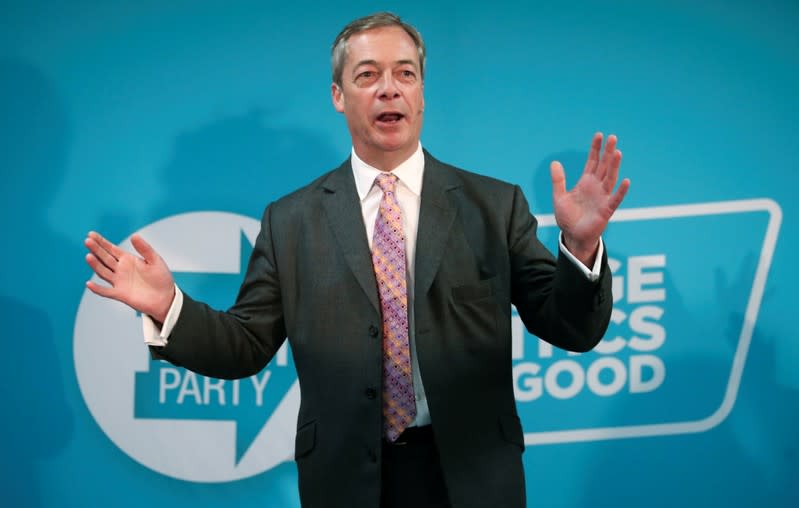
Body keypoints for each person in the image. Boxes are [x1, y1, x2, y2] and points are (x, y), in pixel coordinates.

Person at [84, 12, 628, 508]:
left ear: (421, 92)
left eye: (405, 73)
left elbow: (571, 328)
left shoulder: (493, 205)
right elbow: (245, 345)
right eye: (367, 75)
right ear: (338, 95)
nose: (389, 88)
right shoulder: (290, 221)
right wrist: (167, 306)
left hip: (473, 478)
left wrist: (579, 249)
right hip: (346, 484)